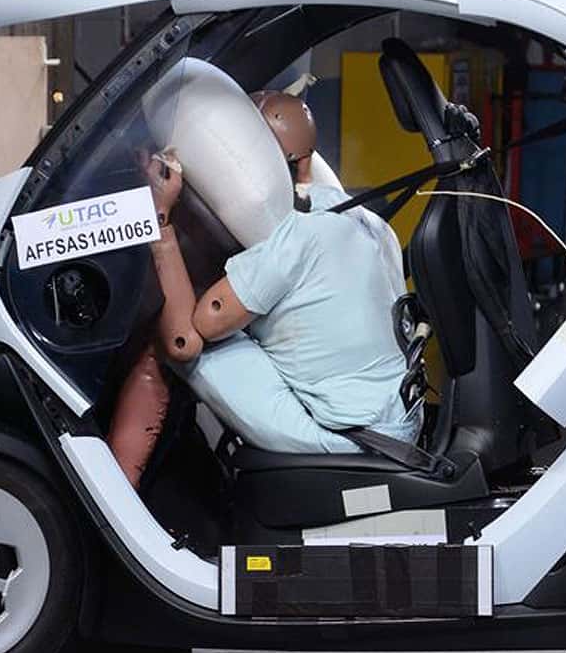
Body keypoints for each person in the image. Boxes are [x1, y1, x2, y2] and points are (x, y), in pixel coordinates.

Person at [108, 91, 418, 483]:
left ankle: (114, 502)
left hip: (345, 439)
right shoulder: (372, 222)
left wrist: (161, 221)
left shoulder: (293, 237)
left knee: (167, 346)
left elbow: (184, 340)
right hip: (398, 426)